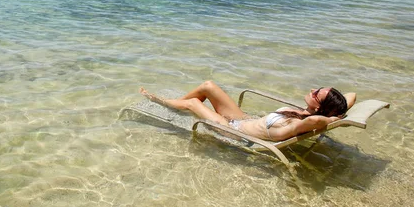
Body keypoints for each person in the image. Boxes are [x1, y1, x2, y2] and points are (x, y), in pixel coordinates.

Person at [140, 81, 355, 142]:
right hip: (243, 120)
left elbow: (318, 122)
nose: (312, 89)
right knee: (208, 87)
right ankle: (175, 103)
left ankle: (160, 102)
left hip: (235, 132)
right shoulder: (305, 114)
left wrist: (332, 117)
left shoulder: (300, 123)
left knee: (195, 104)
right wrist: (337, 111)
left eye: (317, 92)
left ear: (318, 108)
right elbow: (351, 96)